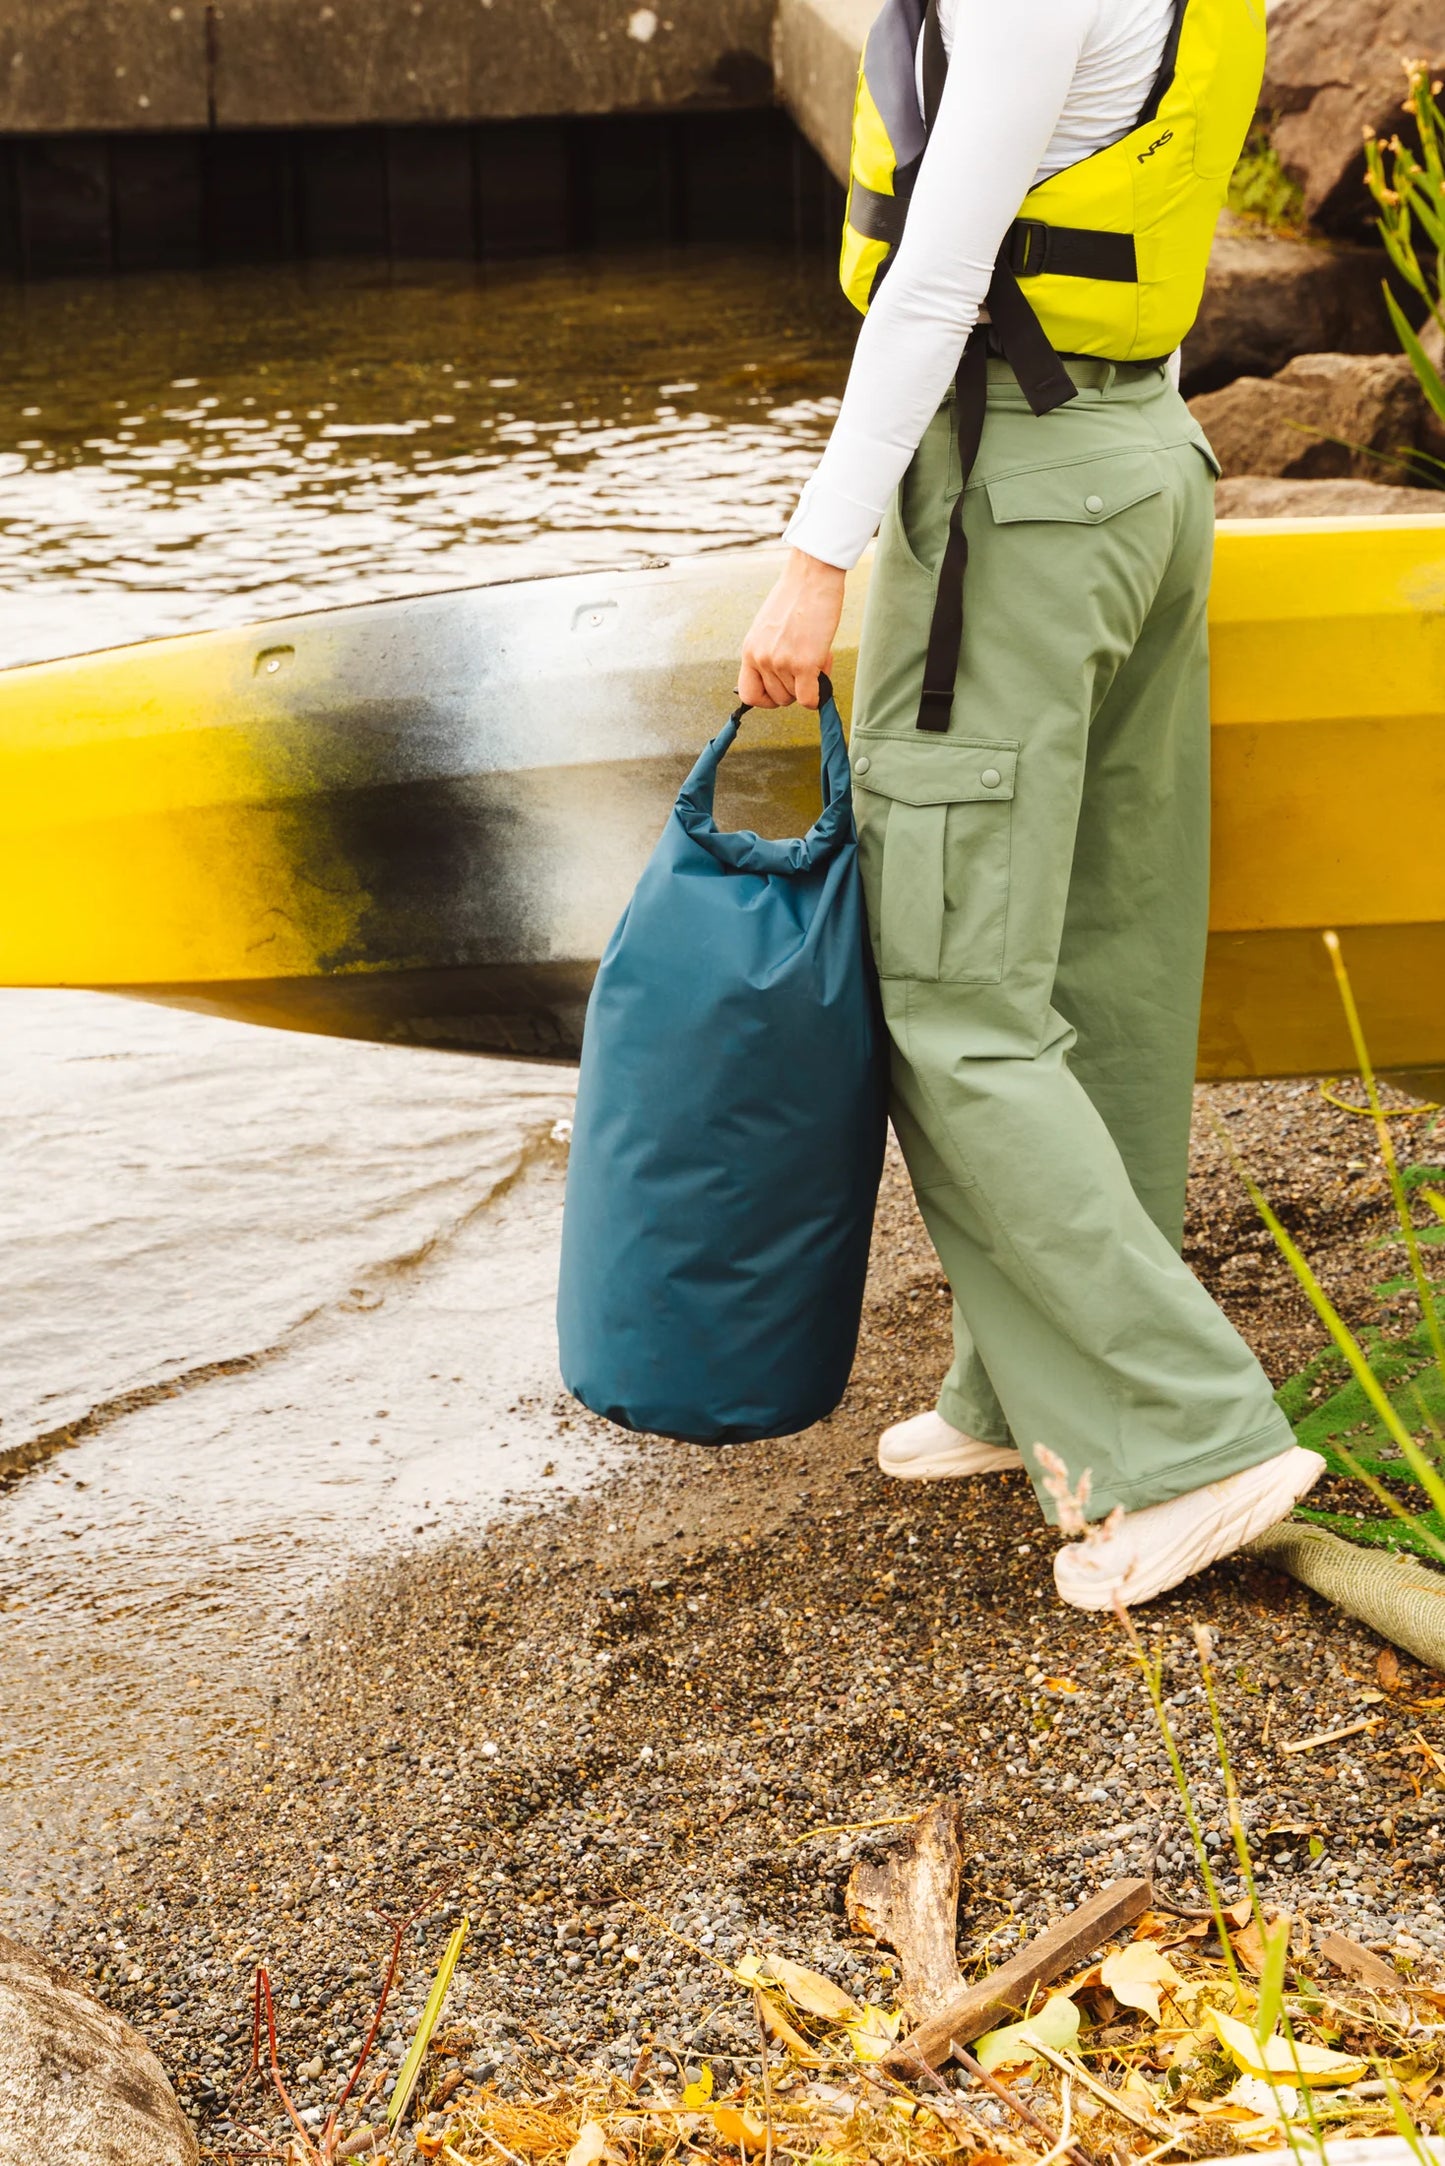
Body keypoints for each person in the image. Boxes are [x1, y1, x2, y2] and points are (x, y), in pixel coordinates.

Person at [737, 0, 1323, 1613]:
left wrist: (815, 555)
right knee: (1096, 961)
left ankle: (1186, 1446)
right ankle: (1028, 1392)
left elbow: (935, 280)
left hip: (1012, 500)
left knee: (948, 993)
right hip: (1138, 460)